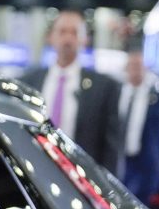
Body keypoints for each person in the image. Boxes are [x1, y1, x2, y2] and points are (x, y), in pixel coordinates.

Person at [20, 10, 122, 173]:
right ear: (50, 37)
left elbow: (111, 147)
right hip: (34, 170)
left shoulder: (104, 88)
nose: (68, 39)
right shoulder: (28, 81)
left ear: (85, 39)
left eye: (74, 33)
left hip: (81, 178)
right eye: (62, 32)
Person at [117, 48, 159, 205]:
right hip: (120, 162)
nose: (136, 70)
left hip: (146, 166)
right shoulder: (117, 94)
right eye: (132, 66)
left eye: (139, 66)